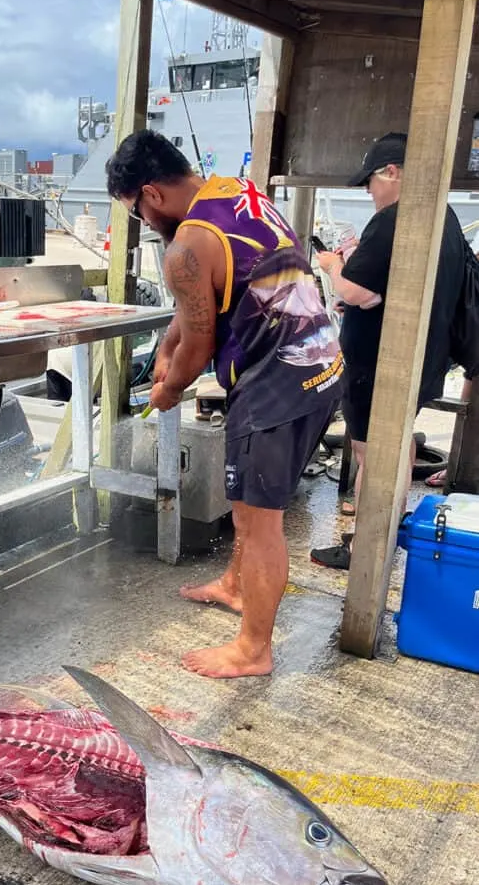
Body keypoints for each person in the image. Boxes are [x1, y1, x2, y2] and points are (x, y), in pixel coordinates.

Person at [105, 129, 342, 679]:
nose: (145, 223)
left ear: (151, 193)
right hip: (322, 363)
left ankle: (254, 650)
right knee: (248, 505)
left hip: (277, 386)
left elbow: (200, 344)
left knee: (261, 524)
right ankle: (236, 585)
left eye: (137, 212)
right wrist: (167, 347)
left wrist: (168, 388)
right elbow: (198, 308)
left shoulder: (185, 247)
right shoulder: (237, 190)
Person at [311, 132, 466, 570]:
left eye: (370, 181)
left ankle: (365, 550)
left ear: (392, 172)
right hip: (424, 360)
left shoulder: (393, 217)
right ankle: (387, 529)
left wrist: (334, 266)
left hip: (378, 368)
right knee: (398, 449)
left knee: (372, 455)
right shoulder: (444, 217)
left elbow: (356, 289)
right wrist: (364, 293)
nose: (368, 191)